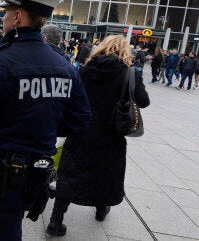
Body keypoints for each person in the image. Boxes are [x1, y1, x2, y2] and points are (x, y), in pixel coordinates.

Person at [0, 0, 91, 240]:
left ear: (18, 17)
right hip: (38, 174)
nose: (3, 19)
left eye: (6, 13)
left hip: (0, 174)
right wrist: (42, 126)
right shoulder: (63, 64)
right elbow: (80, 119)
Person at [46, 35, 150, 236]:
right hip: (110, 135)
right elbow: (143, 101)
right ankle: (101, 210)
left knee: (69, 174)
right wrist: (136, 79)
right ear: (125, 50)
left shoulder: (85, 70)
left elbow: (71, 98)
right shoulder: (128, 73)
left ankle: (55, 221)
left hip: (81, 130)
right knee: (106, 174)